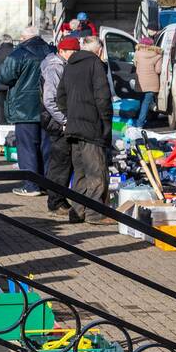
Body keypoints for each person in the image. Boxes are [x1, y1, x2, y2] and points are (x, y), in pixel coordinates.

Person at [56, 34, 113, 223]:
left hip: (73, 126)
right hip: (92, 127)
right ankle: (96, 214)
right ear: (99, 50)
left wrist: (70, 114)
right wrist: (105, 122)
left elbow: (60, 97)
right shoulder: (95, 64)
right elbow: (103, 97)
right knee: (96, 170)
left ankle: (77, 211)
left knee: (80, 172)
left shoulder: (70, 65)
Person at [0, 25, 56, 197]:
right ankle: (46, 183)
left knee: (27, 147)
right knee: (46, 147)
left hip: (25, 108)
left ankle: (31, 185)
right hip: (48, 107)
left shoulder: (19, 53)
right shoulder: (50, 51)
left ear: (24, 37)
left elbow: (4, 77)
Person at [41, 36, 77, 216]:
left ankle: (58, 198)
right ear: (61, 51)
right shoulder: (56, 67)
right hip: (56, 121)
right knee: (61, 161)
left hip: (56, 119)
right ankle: (55, 202)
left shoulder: (61, 65)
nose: (75, 54)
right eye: (72, 51)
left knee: (62, 161)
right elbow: (49, 99)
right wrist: (64, 120)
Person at [132, 35, 163, 128]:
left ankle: (138, 122)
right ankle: (140, 124)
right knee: (146, 103)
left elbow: (135, 64)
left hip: (140, 82)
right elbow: (158, 70)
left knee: (142, 102)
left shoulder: (137, 53)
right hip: (152, 83)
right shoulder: (157, 55)